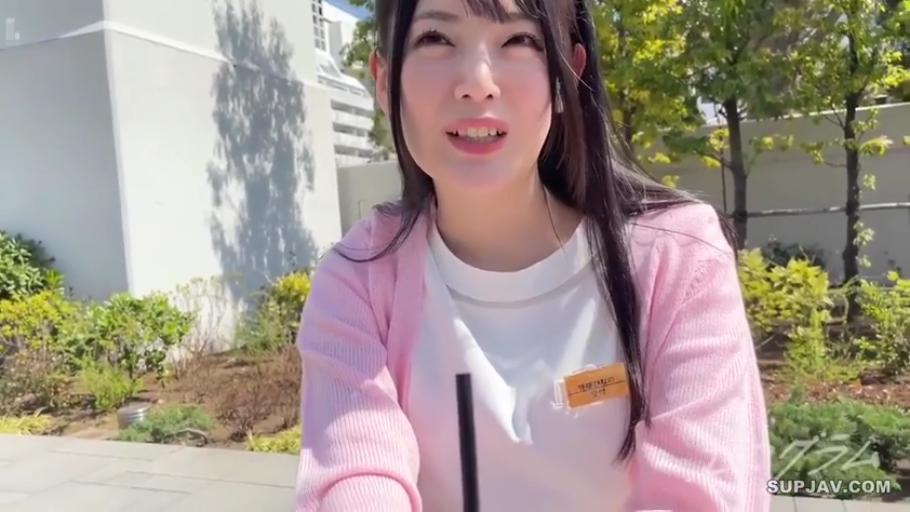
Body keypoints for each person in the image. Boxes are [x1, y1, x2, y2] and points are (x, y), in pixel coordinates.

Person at [294, 0, 771, 507]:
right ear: (384, 81)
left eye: (520, 40)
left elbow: (701, 494)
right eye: (435, 39)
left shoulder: (677, 259)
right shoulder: (359, 280)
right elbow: (354, 479)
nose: (478, 83)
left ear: (570, 74)